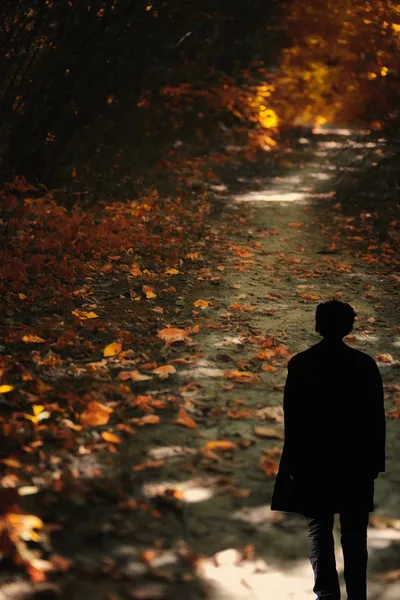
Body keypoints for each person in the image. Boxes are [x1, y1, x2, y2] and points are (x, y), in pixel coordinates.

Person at [271, 299, 386, 600]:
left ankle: (326, 595)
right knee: (354, 536)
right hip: (355, 465)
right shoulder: (365, 365)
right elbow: (376, 420)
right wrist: (375, 464)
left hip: (314, 464)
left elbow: (293, 420)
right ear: (350, 326)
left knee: (319, 533)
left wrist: (293, 465)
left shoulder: (300, 364)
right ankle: (357, 595)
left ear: (317, 326)